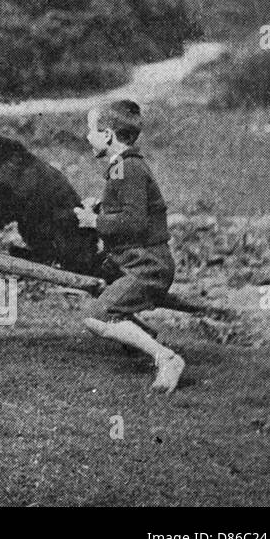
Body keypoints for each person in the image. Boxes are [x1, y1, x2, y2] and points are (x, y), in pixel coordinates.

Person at [74, 99, 185, 393]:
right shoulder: (123, 167)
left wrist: (94, 221)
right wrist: (100, 207)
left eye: (91, 130)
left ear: (108, 135)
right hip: (136, 262)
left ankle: (166, 357)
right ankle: (148, 342)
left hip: (148, 266)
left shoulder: (128, 168)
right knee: (106, 305)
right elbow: (128, 207)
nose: (87, 137)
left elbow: (134, 223)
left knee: (97, 315)